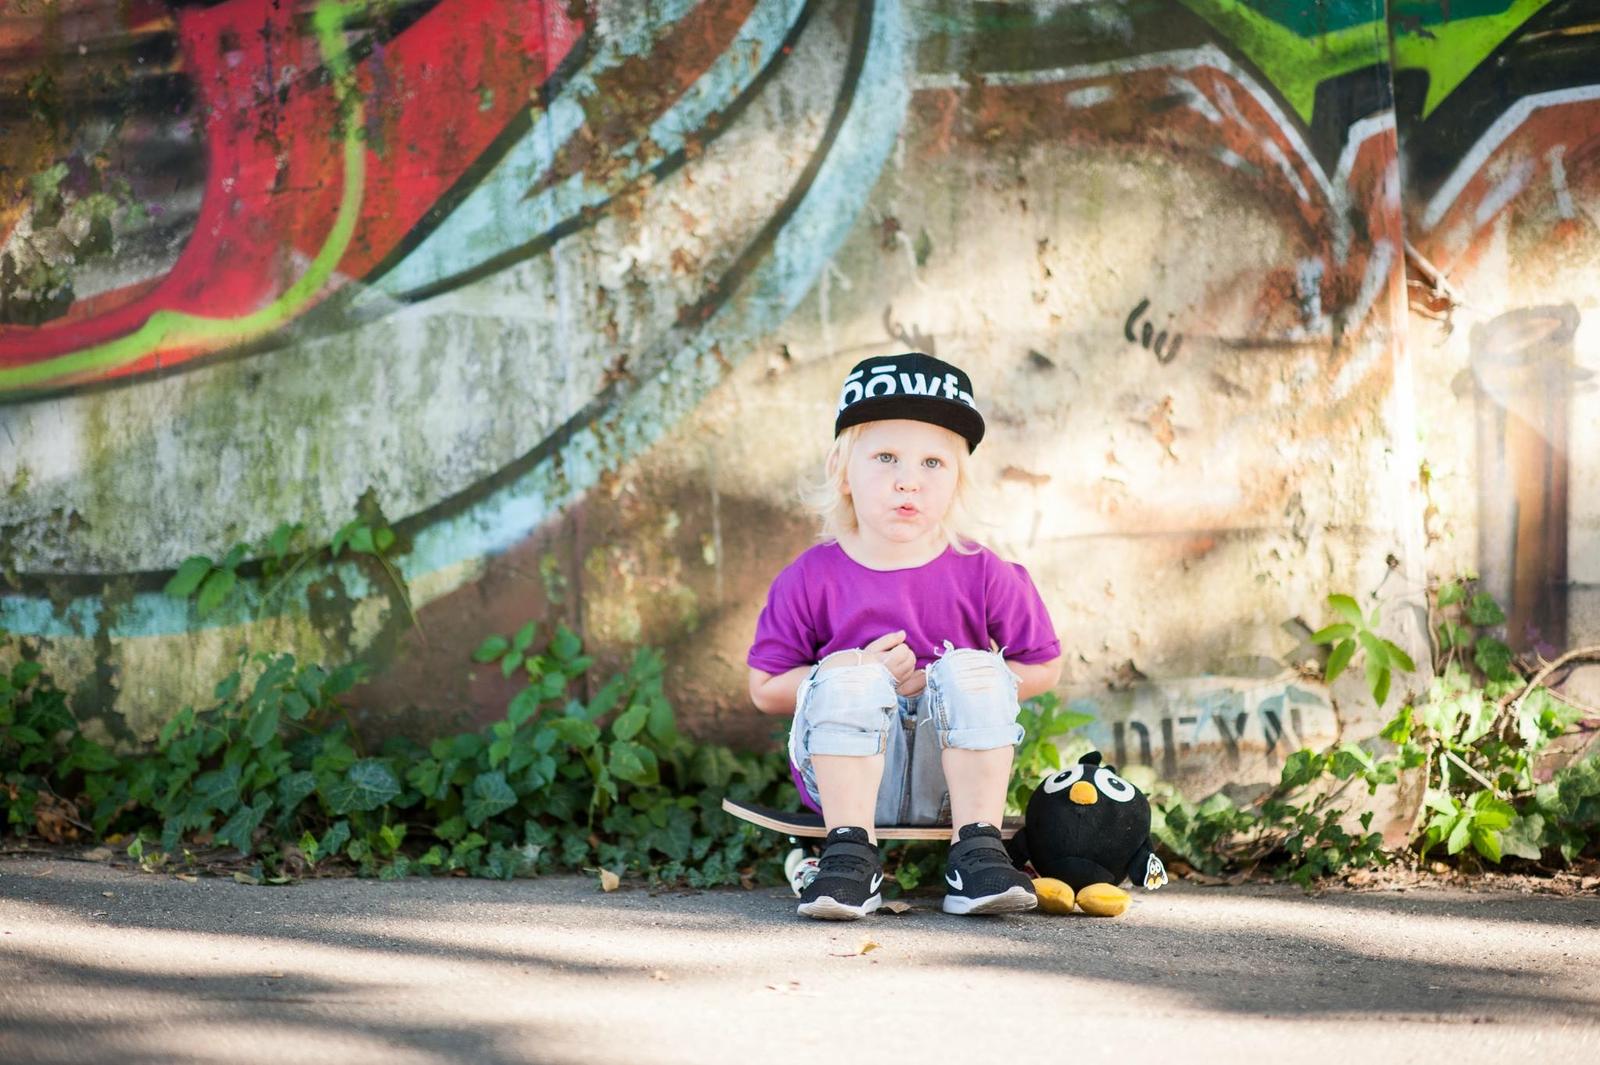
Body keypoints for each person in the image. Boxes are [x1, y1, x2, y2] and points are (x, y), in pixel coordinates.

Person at [746, 352, 1063, 920]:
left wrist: (951, 686)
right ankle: (849, 859)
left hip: (954, 786)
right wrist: (852, 671)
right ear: (841, 469)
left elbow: (1042, 665)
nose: (908, 480)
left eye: (933, 462)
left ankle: (977, 854)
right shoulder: (810, 577)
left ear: (958, 479)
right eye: (885, 457)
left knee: (975, 668)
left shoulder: (985, 572)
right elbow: (765, 687)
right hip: (846, 787)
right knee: (850, 676)